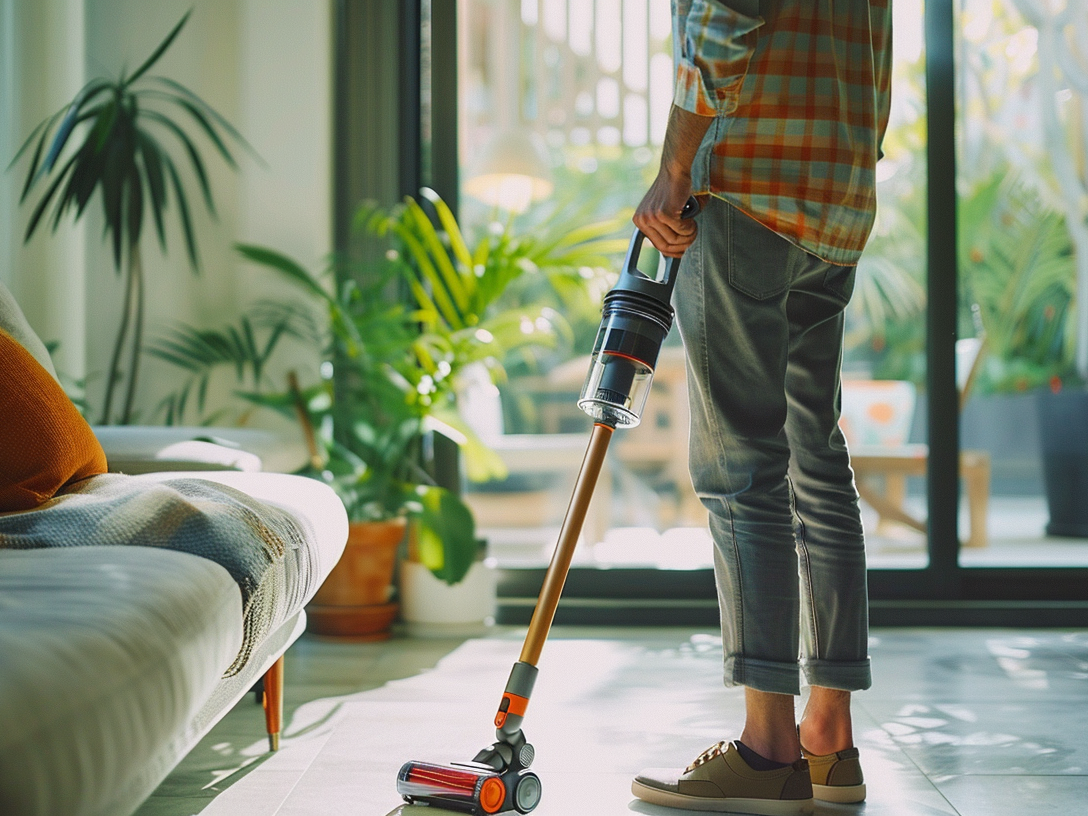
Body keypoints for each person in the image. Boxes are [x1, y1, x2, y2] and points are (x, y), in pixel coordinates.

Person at [630, 1, 892, 813]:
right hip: (837, 192)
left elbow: (722, 19)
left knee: (741, 467)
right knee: (815, 456)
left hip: (748, 186)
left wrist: (676, 170)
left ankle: (767, 747)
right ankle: (827, 737)